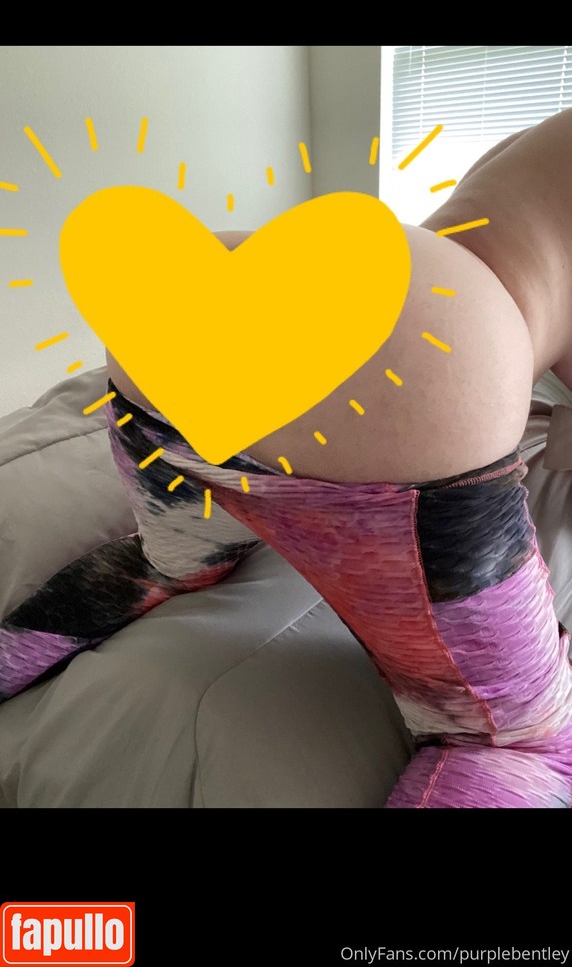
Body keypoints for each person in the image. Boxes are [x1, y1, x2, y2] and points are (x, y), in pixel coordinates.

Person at [2, 111, 572, 808]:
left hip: (179, 332)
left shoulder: (540, 137)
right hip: (425, 344)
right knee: (518, 740)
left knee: (167, 562)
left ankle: (139, 585)